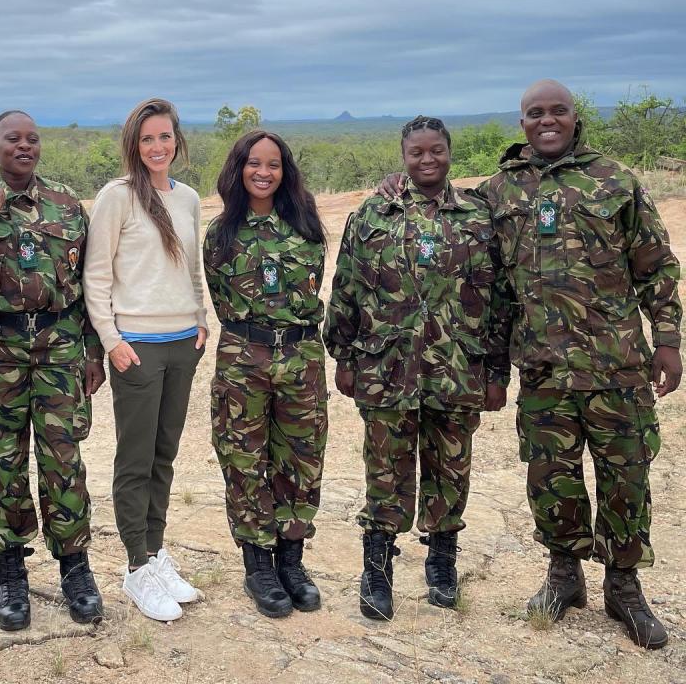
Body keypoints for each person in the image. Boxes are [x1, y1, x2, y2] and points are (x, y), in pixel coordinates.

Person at [378, 83, 682, 648]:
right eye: (535, 113)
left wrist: (667, 338)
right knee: (551, 477)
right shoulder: (500, 189)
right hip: (542, 370)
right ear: (522, 123)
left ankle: (625, 587)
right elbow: (450, 204)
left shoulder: (615, 180)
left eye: (557, 111)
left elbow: (657, 266)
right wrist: (398, 186)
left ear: (574, 118)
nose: (547, 120)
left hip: (616, 365)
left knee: (626, 477)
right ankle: (564, 577)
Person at [326, 115, 508, 621]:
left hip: (458, 368)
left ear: (450, 152)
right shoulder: (373, 214)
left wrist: (497, 371)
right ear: (403, 157)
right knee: (385, 471)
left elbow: (499, 300)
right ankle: (377, 570)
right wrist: (344, 357)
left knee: (451, 468)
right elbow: (347, 289)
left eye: (436, 151)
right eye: (416, 153)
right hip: (387, 370)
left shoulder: (477, 216)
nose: (427, 160)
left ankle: (442, 562)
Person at [0, 110, 105, 628]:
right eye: (13, 139)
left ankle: (75, 566)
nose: (24, 146)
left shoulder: (68, 206)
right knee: (1, 463)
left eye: (32, 139)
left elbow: (89, 286)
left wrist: (93, 351)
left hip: (58, 351)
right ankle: (10, 570)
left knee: (63, 460)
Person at [83, 98, 207, 622]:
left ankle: (157, 554)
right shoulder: (118, 197)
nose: (158, 147)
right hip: (137, 347)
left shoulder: (190, 199)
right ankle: (136, 567)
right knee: (134, 460)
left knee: (165, 453)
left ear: (177, 139)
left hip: (184, 343)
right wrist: (112, 339)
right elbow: (97, 275)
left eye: (165, 137)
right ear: (134, 145)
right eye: (147, 139)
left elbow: (193, 266)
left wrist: (201, 316)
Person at [203, 130, 328, 618]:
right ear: (238, 168)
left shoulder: (305, 223)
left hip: (301, 357)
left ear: (285, 170)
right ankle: (258, 565)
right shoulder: (221, 233)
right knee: (243, 458)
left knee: (301, 458)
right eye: (253, 163)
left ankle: (291, 561)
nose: (263, 172)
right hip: (243, 355)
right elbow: (218, 296)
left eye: (273, 164)